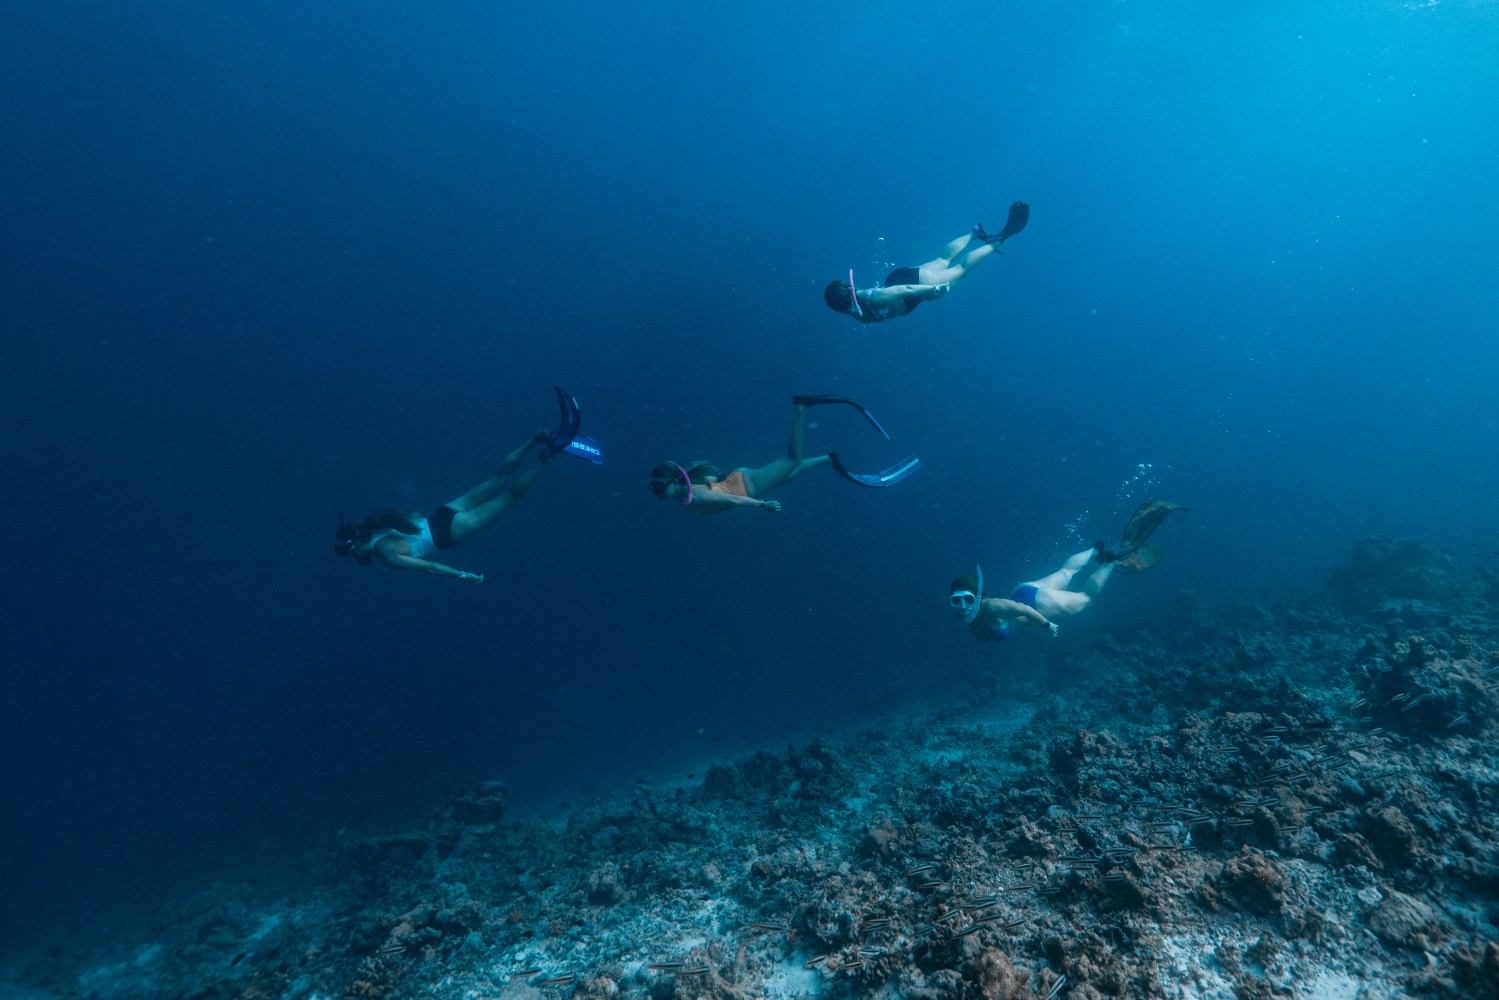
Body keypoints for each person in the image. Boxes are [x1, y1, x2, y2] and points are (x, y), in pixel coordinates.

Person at [333, 388, 600, 582]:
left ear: (356, 550)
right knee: (496, 480)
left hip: (450, 534)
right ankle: (535, 440)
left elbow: (429, 568)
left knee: (509, 499)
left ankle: (547, 458)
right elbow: (412, 517)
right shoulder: (375, 525)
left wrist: (463, 575)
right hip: (441, 515)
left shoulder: (387, 557)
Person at [949, 499, 1185, 641]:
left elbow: (1021, 609)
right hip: (1025, 590)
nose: (963, 606)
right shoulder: (970, 614)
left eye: (967, 599)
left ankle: (1111, 559)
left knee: (1087, 598)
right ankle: (1095, 550)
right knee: (1065, 573)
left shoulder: (991, 606)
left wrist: (1046, 625)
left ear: (978, 596)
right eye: (956, 601)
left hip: (1036, 604)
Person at [647, 395, 920, 516]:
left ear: (673, 482)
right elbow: (708, 476)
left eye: (659, 486)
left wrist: (762, 506)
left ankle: (800, 408)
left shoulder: (696, 495)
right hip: (742, 478)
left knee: (792, 460)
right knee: (786, 475)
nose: (656, 492)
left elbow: (731, 499)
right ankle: (828, 459)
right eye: (654, 488)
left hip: (748, 487)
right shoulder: (686, 493)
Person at [824, 202, 1029, 324]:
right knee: (942, 259)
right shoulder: (858, 311)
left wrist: (933, 289)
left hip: (911, 288)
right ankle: (974, 233)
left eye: (842, 307)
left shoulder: (875, 299)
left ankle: (999, 239)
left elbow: (905, 289)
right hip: (899, 280)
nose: (844, 311)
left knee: (961, 269)